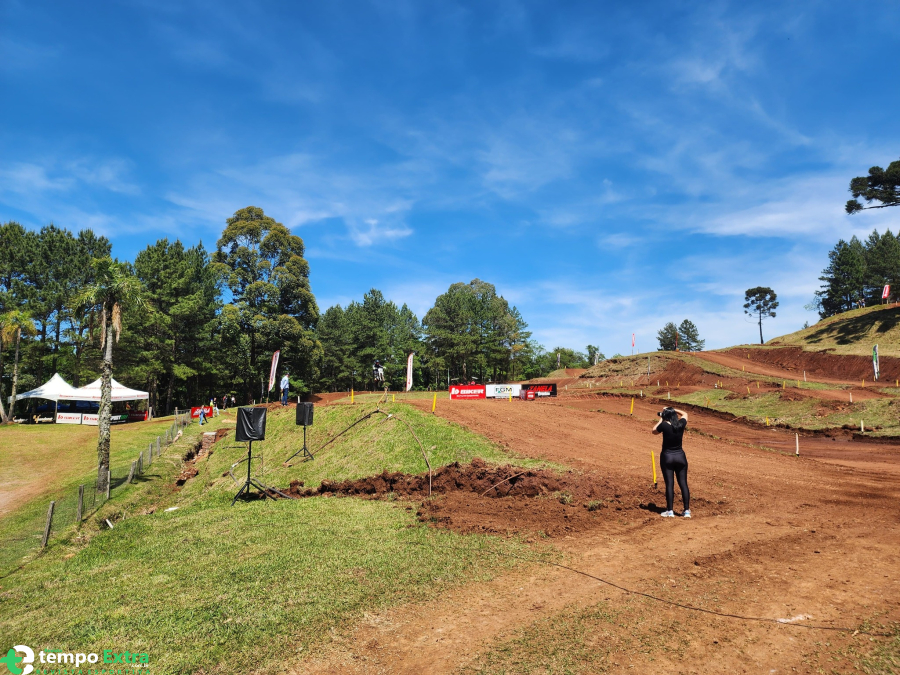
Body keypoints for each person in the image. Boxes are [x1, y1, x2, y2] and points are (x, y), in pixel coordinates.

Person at [652, 406, 691, 518]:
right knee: (683, 483)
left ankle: (670, 511)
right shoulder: (681, 424)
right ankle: (687, 511)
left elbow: (653, 431)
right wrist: (673, 410)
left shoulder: (664, 425)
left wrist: (661, 419)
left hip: (667, 457)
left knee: (670, 484)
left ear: (666, 417)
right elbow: (685, 414)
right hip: (681, 457)